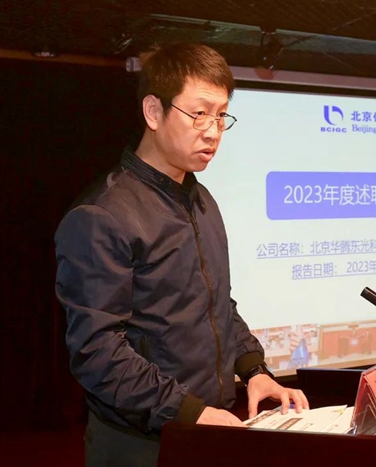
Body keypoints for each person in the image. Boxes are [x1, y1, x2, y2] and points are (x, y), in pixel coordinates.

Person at [55, 42, 308, 467]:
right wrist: (187, 412)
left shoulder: (202, 200)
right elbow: (96, 351)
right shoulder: (102, 216)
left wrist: (254, 370)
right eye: (199, 113)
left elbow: (215, 303)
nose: (213, 131)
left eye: (221, 115)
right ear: (154, 112)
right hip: (141, 443)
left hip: (205, 426)